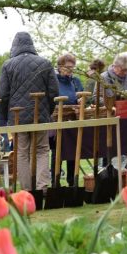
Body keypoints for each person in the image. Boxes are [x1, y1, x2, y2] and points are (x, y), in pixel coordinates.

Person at [0, 32, 59, 191]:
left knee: (21, 153)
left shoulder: (8, 65)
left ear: (14, 46)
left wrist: (5, 117)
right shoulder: (45, 63)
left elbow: (2, 94)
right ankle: (42, 187)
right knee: (42, 151)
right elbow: (54, 92)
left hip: (17, 117)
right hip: (41, 115)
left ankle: (27, 190)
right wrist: (48, 112)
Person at [50, 53, 84, 187]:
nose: (71, 70)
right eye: (68, 67)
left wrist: (81, 101)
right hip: (57, 120)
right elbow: (51, 99)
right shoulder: (54, 82)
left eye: (73, 67)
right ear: (60, 67)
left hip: (73, 120)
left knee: (72, 151)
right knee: (56, 152)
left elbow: (82, 98)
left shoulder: (76, 82)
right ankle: (55, 182)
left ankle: (71, 182)